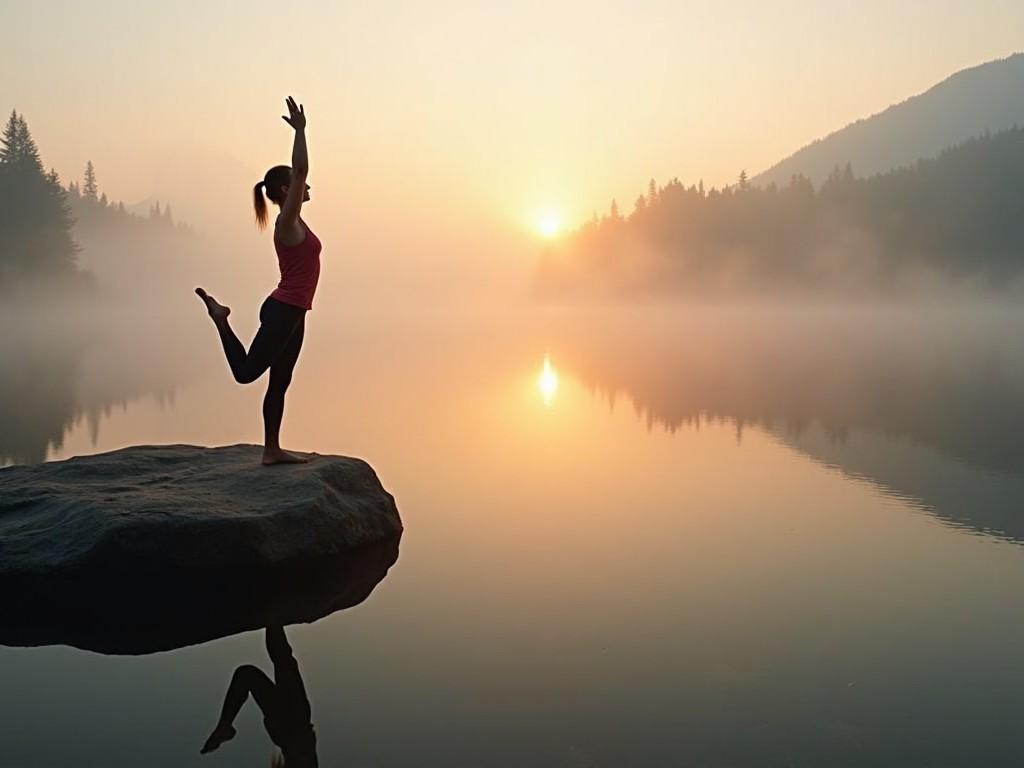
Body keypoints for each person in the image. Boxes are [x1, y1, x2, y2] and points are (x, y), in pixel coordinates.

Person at [195, 96, 321, 465]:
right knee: (247, 373)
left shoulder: (296, 223)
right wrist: (300, 132)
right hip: (283, 310)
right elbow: (300, 171)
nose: (308, 186)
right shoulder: (287, 222)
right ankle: (221, 319)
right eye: (300, 185)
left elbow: (298, 176)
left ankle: (271, 450)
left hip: (295, 311)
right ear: (286, 191)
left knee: (280, 380)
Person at [201, 625, 318, 767]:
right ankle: (273, 620)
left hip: (292, 728)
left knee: (279, 662)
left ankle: (273, 619)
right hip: (291, 728)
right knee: (258, 670)